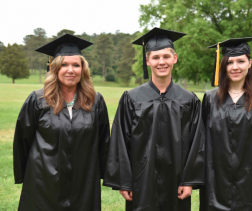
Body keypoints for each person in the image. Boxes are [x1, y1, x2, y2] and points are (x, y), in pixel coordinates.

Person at [103, 27, 205, 211]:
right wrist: (125, 182)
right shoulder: (131, 98)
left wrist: (188, 180)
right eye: (156, 57)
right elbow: (120, 140)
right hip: (141, 182)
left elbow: (197, 142)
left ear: (174, 58)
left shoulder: (189, 100)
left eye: (166, 57)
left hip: (177, 184)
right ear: (147, 61)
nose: (161, 62)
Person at [13, 34, 110, 211]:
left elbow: (104, 141)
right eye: (64, 64)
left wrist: (104, 173)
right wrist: (25, 175)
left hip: (84, 182)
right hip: (43, 181)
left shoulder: (95, 101)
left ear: (83, 69)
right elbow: (22, 140)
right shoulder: (38, 100)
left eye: (76, 65)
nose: (70, 70)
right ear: (55, 68)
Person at [200, 36, 252, 211]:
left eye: (240, 61)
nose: (235, 67)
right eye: (229, 62)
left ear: (249, 63)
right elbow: (203, 141)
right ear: (223, 65)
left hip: (251, 179)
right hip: (216, 180)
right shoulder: (210, 99)